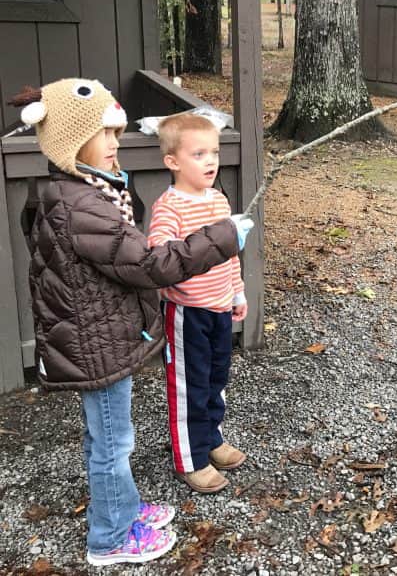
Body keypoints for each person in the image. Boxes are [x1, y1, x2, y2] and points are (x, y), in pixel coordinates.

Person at [10, 79, 253, 566]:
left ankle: (122, 510)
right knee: (111, 442)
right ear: (71, 143)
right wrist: (224, 237)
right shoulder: (81, 206)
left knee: (115, 437)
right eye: (106, 135)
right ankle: (110, 537)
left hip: (102, 337)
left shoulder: (84, 194)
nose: (117, 146)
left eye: (118, 134)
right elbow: (150, 266)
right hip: (95, 344)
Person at [148, 113, 249, 494]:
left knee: (216, 378)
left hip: (220, 306)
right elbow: (160, 255)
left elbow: (230, 254)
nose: (211, 161)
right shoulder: (168, 207)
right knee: (189, 385)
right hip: (187, 312)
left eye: (215, 152)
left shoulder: (219, 200)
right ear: (172, 161)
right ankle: (190, 458)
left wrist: (237, 292)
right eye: (199, 153)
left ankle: (211, 439)